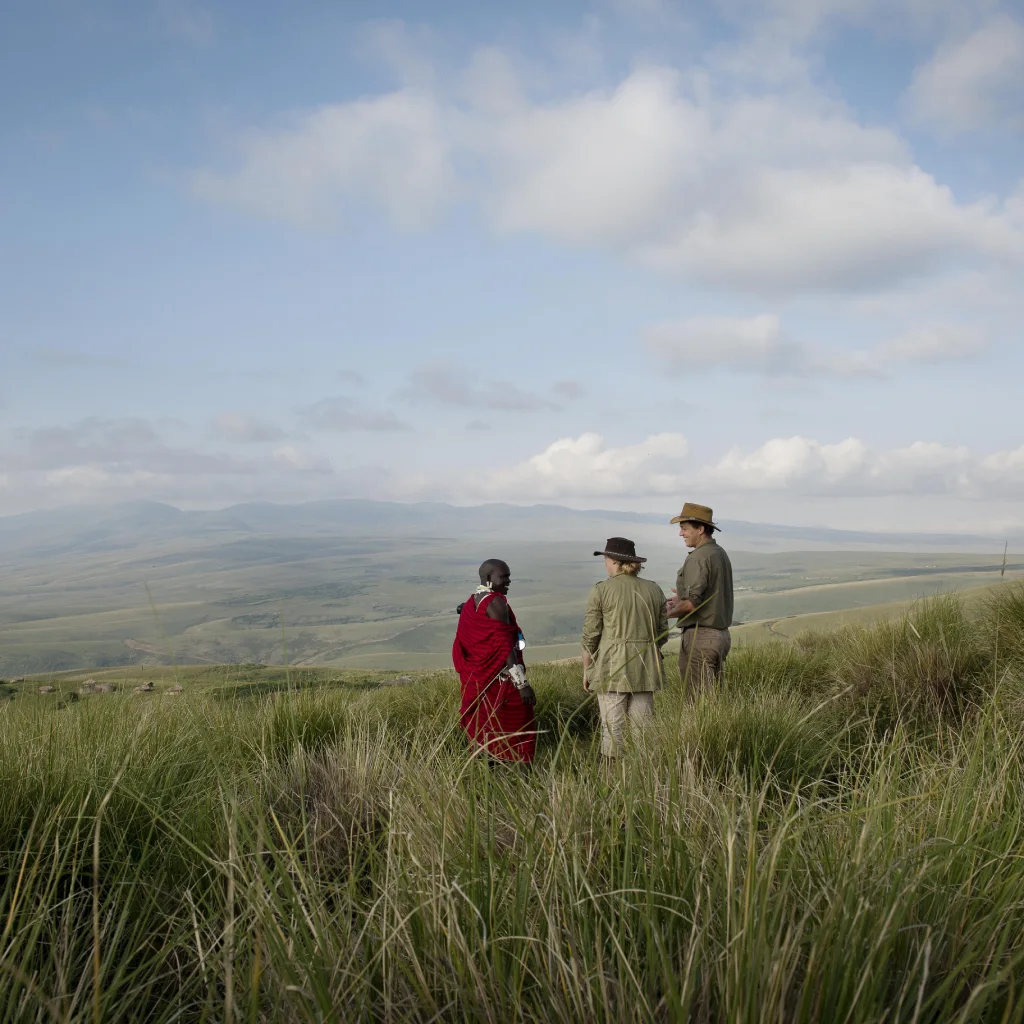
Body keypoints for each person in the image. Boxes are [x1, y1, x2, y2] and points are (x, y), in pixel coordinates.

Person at [581, 537, 669, 760]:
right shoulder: (654, 590)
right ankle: (646, 781)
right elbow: (662, 633)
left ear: (614, 561)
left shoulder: (601, 590)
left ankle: (612, 781)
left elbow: (590, 636)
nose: (605, 564)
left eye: (606, 559)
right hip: (647, 667)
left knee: (612, 731)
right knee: (643, 732)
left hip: (611, 668)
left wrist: (587, 670)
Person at [452, 559, 537, 764]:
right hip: (501, 680)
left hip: (480, 679)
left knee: (486, 726)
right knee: (523, 727)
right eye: (504, 577)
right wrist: (522, 684)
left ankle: (487, 773)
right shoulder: (496, 603)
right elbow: (504, 644)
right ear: (489, 578)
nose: (509, 581)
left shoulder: (474, 599)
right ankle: (526, 779)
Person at [665, 503, 734, 696]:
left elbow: (691, 604)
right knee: (711, 699)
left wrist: (663, 614)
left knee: (698, 702)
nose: (681, 534)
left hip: (700, 637)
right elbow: (710, 593)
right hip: (720, 636)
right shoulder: (718, 552)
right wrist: (680, 597)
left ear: (701, 529)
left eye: (684, 528)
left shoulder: (698, 557)